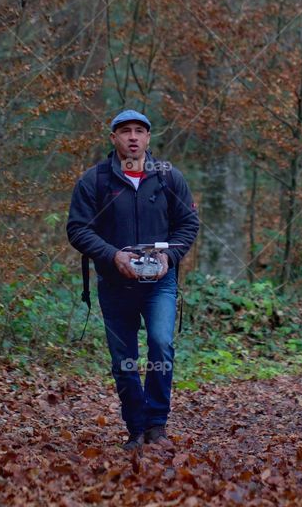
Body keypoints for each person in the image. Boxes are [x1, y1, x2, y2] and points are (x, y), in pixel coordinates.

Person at [66, 109, 199, 451]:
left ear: (149, 138)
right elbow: (78, 229)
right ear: (114, 138)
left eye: (140, 130)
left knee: (161, 344)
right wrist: (113, 255)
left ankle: (157, 425)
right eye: (125, 131)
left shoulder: (169, 178)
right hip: (114, 284)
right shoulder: (94, 181)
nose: (133, 137)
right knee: (124, 360)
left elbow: (188, 225)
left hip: (159, 284)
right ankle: (136, 429)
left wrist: (169, 257)